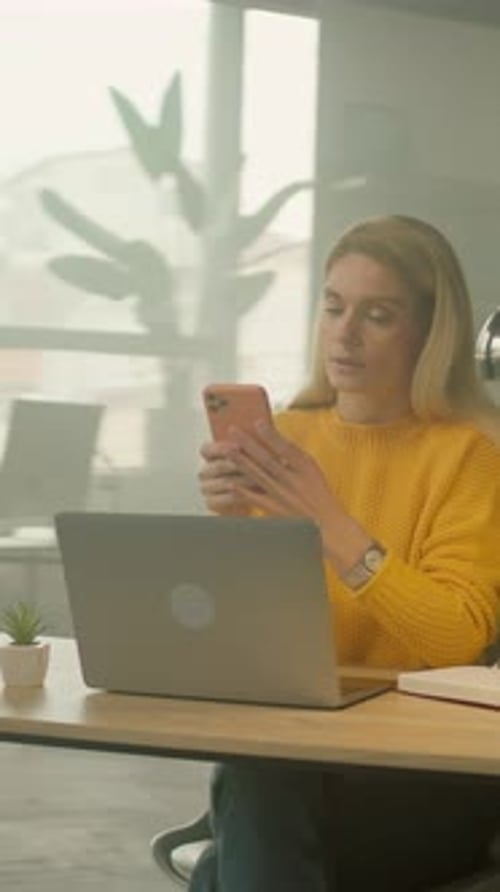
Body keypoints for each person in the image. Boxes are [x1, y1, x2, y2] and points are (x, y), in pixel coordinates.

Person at [194, 215, 500, 892]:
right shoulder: (286, 439)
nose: (345, 333)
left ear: (429, 333)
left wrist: (331, 524)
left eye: (378, 315)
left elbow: (456, 638)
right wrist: (229, 520)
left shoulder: (470, 455)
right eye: (334, 307)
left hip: (424, 771)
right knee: (256, 789)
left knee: (228, 855)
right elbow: (249, 637)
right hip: (297, 752)